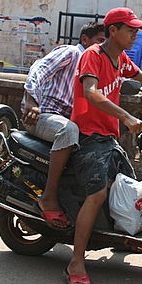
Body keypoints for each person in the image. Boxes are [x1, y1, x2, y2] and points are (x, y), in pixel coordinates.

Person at [65, 7, 142, 284]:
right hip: (88, 136)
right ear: (112, 31)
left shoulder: (121, 58)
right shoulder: (93, 55)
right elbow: (90, 91)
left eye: (136, 31)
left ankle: (122, 238)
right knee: (97, 195)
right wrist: (126, 117)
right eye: (130, 30)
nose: (135, 35)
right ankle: (76, 263)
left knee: (128, 186)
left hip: (108, 136)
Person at [21, 21, 105, 229]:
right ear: (85, 40)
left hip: (67, 124)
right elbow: (40, 68)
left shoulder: (95, 65)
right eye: (99, 41)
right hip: (43, 116)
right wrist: (32, 101)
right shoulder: (72, 53)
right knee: (68, 129)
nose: (102, 47)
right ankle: (49, 197)